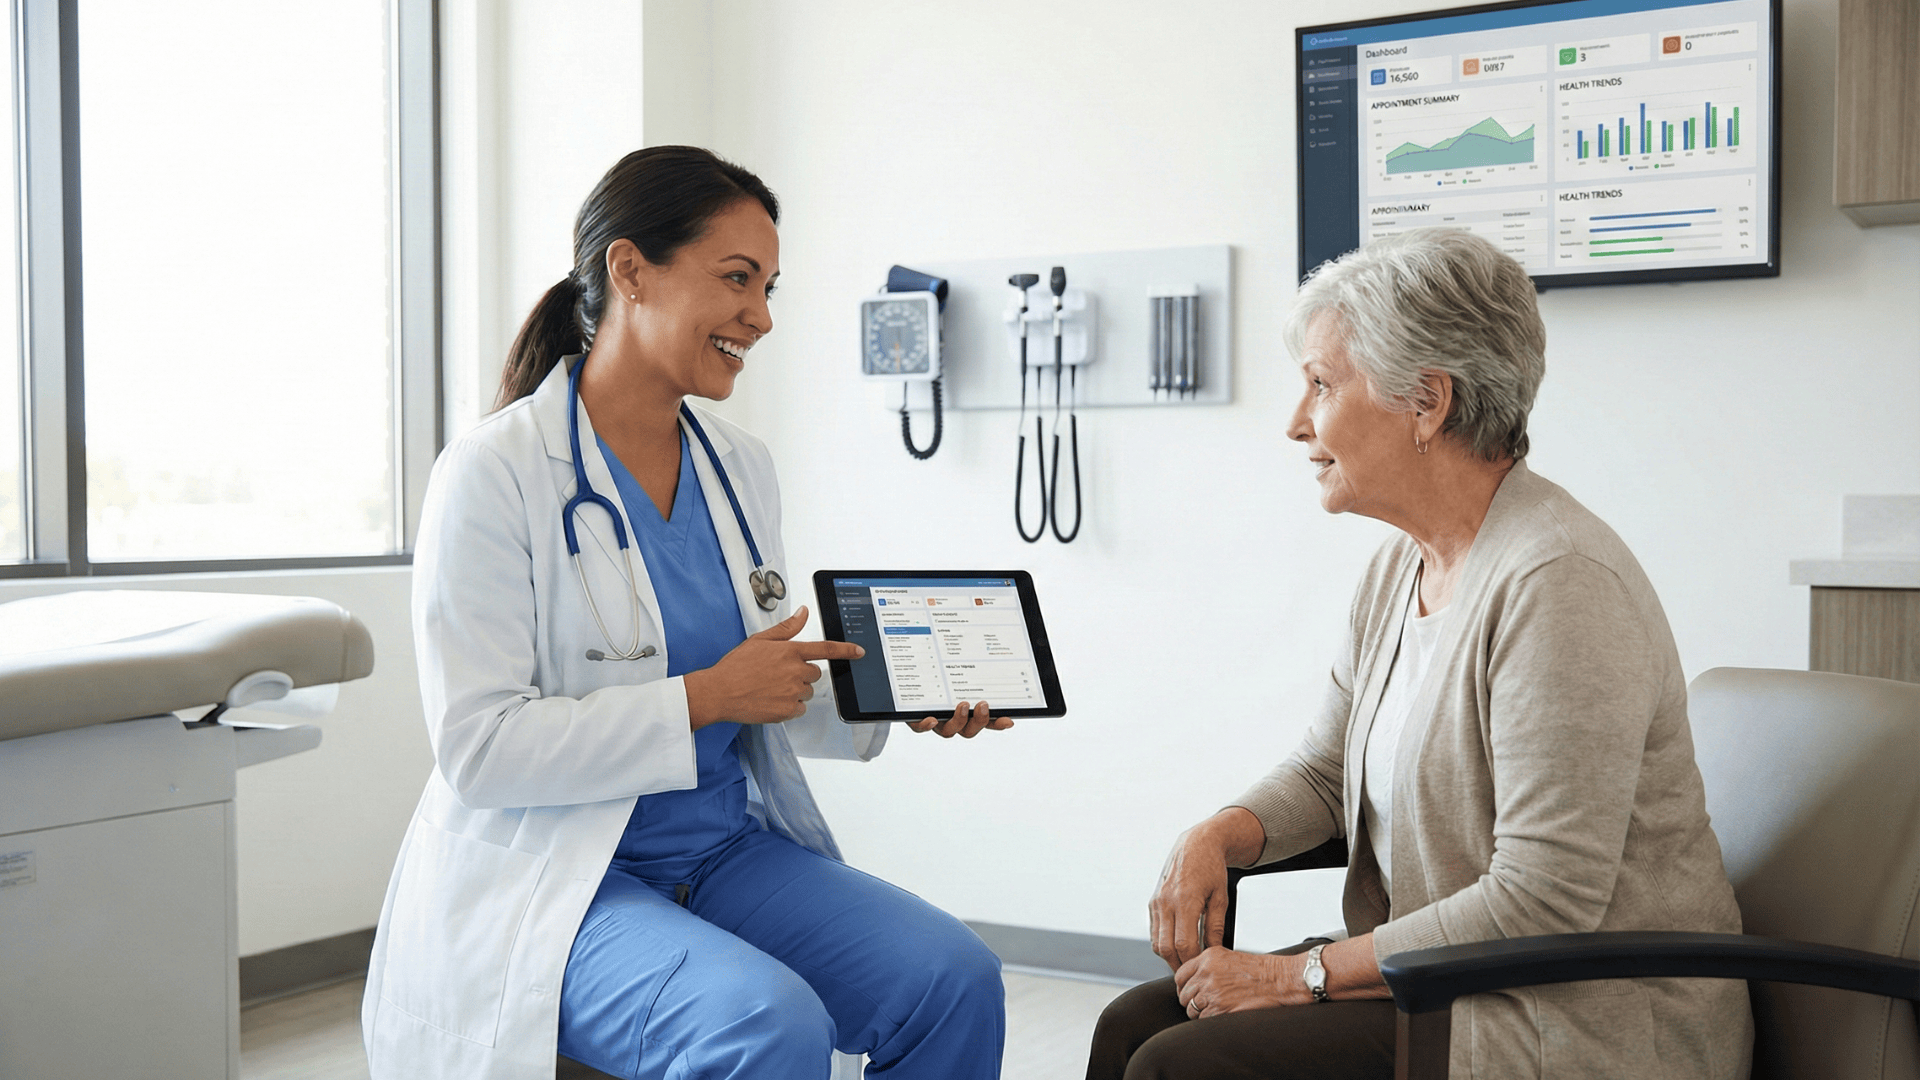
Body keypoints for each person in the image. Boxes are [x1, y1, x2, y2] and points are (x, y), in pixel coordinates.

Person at [362, 147, 1009, 1080]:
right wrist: (702, 696)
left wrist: (888, 694)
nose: (762, 315)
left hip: (722, 853)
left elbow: (758, 682)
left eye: (770, 286)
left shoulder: (739, 468)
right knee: (762, 1022)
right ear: (630, 271)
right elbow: (480, 748)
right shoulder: (495, 472)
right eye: (737, 279)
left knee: (953, 978)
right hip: (559, 876)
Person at [1088, 229, 1752, 1080]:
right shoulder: (1403, 566)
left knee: (1182, 1065)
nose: (1297, 424)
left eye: (1322, 386)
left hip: (1571, 1015)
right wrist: (1219, 832)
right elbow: (1330, 775)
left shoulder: (1559, 582)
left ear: (1427, 402)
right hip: (1452, 979)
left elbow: (1544, 898)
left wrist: (1299, 976)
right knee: (1132, 1025)